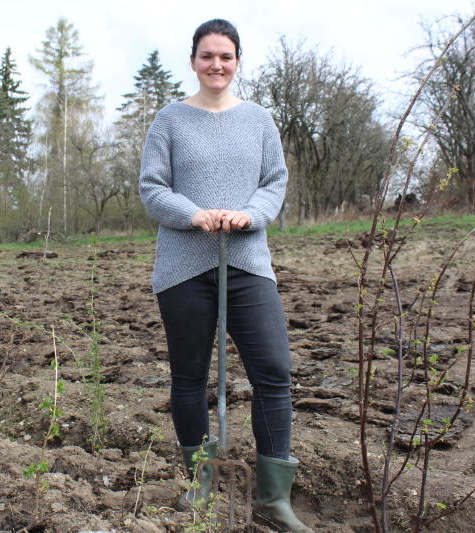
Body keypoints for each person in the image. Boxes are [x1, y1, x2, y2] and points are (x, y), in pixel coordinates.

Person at [138, 18, 312, 532]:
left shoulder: (259, 120)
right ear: (193, 60)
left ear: (238, 62)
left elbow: (274, 182)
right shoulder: (168, 120)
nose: (217, 64)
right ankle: (201, 483)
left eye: (226, 56)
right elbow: (151, 188)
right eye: (208, 55)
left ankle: (274, 500)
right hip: (184, 267)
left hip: (246, 262)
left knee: (274, 373)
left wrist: (250, 214)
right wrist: (192, 213)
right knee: (189, 378)